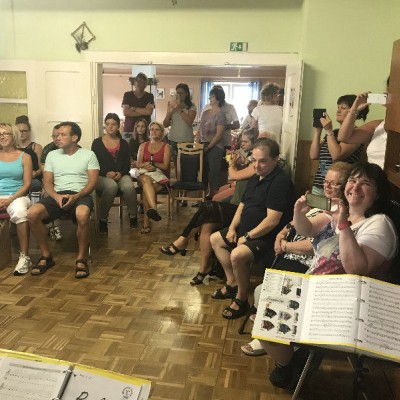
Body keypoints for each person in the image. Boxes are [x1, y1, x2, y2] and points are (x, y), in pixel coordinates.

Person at [262, 162, 398, 391]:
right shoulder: (341, 211)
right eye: (353, 180)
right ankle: (292, 360)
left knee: (268, 320)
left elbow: (356, 268)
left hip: (344, 304)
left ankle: (292, 362)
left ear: (378, 193)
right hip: (316, 289)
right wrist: (299, 212)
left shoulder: (379, 225)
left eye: (365, 183)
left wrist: (343, 223)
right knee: (265, 301)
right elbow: (306, 230)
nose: (356, 187)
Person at [241, 161, 352, 356]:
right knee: (268, 279)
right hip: (296, 254)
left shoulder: (343, 213)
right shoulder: (326, 205)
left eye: (334, 184)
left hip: (309, 264)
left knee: (268, 285)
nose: (327, 186)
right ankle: (267, 319)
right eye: (325, 181)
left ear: (347, 187)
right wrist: (284, 231)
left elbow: (314, 245)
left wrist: (286, 245)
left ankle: (273, 332)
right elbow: (301, 224)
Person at [210, 138, 295, 319]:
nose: (256, 165)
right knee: (215, 239)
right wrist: (232, 228)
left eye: (262, 161)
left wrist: (247, 237)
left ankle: (242, 299)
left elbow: (272, 221)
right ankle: (233, 283)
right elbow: (242, 205)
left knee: (237, 255)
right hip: (248, 230)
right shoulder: (255, 177)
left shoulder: (280, 182)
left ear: (275, 159)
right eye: (254, 160)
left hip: (267, 236)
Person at [159, 128, 258, 285]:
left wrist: (231, 164)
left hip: (242, 209)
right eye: (242, 141)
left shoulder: (257, 165)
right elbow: (244, 174)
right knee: (206, 224)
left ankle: (183, 240)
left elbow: (233, 176)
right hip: (236, 203)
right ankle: (203, 268)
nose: (242, 144)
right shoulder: (251, 162)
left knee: (207, 206)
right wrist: (242, 162)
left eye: (245, 142)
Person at [27, 122, 100, 278]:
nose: (57, 138)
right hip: (58, 195)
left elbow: (93, 183)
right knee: (32, 213)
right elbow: (47, 182)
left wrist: (76, 196)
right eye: (57, 135)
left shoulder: (89, 155)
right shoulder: (52, 155)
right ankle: (46, 256)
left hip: (81, 194)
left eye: (63, 135)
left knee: (82, 214)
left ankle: (81, 258)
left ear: (74, 137)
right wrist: (56, 196)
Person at [310, 94, 369, 195]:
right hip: (320, 184)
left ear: (354, 111)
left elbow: (336, 155)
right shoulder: (333, 133)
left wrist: (329, 131)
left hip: (339, 187)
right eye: (338, 107)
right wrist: (317, 131)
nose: (338, 111)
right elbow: (313, 155)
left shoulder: (356, 134)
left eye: (343, 108)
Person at [91, 113, 138, 234]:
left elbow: (127, 164)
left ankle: (133, 216)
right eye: (107, 124)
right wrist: (106, 173)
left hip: (121, 174)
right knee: (111, 186)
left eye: (113, 124)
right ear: (104, 125)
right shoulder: (97, 143)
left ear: (118, 126)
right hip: (102, 176)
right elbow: (93, 164)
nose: (110, 127)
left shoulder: (124, 143)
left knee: (129, 187)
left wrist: (121, 173)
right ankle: (103, 219)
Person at [0, 123, 33, 275]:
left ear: (14, 136)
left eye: (5, 133)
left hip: (17, 195)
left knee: (20, 212)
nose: (2, 137)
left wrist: (9, 200)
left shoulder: (25, 157)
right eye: (0, 134)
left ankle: (24, 256)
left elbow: (27, 184)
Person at [337, 81, 389, 168]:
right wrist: (355, 108)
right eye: (387, 91)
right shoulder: (377, 125)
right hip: (373, 176)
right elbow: (343, 137)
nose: (385, 94)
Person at [136, 121, 171, 234]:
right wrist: (146, 165)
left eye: (157, 129)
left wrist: (153, 164)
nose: (154, 131)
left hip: (159, 177)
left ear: (162, 132)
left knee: (147, 190)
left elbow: (165, 166)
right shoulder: (143, 146)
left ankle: (146, 223)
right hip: (144, 174)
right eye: (152, 129)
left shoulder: (166, 147)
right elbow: (138, 164)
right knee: (145, 179)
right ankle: (154, 209)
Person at [199, 87, 229, 198]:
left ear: (218, 98)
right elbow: (200, 129)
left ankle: (214, 197)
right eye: (210, 96)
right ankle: (203, 196)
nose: (210, 98)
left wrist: (208, 147)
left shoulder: (221, 114)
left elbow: (218, 135)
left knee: (214, 173)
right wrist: (198, 143)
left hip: (215, 147)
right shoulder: (205, 113)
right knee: (203, 172)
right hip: (203, 144)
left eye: (212, 96)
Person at [40, 123, 64, 241]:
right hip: (51, 181)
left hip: (69, 182)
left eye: (58, 135)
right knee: (46, 194)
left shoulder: (76, 148)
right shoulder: (48, 149)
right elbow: (43, 167)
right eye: (53, 136)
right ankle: (52, 227)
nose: (56, 138)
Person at [163, 83, 197, 163]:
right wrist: (169, 112)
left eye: (181, 93)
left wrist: (179, 109)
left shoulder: (192, 106)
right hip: (173, 139)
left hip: (186, 140)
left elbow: (189, 122)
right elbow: (165, 124)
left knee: (187, 164)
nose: (179, 95)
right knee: (176, 164)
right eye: (177, 93)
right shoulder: (172, 105)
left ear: (186, 93)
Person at [121, 72, 155, 141]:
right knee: (128, 147)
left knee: (144, 147)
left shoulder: (149, 96)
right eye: (139, 81)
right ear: (134, 82)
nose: (141, 84)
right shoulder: (127, 95)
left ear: (146, 85)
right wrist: (143, 111)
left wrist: (134, 108)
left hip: (145, 131)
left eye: (143, 82)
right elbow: (126, 112)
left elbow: (149, 112)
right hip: (129, 130)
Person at [15, 115, 43, 192]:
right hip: (16, 179)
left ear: (29, 131)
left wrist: (36, 173)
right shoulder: (12, 147)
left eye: (24, 131)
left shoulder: (36, 147)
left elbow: (42, 167)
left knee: (35, 184)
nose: (21, 133)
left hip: (32, 179)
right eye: (19, 131)